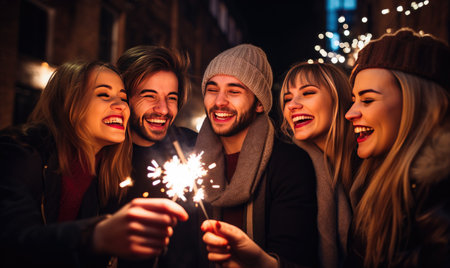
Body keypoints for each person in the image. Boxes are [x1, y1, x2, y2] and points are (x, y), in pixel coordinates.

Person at [0, 61, 188, 267]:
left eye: (123, 98)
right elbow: (13, 240)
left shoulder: (105, 175)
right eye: (103, 95)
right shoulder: (19, 153)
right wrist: (97, 236)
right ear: (69, 103)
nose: (120, 105)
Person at [197, 44, 318, 267]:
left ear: (260, 104)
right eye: (212, 89)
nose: (219, 101)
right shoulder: (189, 159)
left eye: (234, 91)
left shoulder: (289, 164)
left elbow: (297, 256)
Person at [344, 28, 450, 267]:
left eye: (368, 100)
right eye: (353, 101)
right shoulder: (369, 178)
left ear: (419, 106)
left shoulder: (438, 191)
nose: (350, 114)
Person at [111, 46, 202, 267]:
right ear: (125, 98)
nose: (162, 109)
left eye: (171, 98)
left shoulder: (194, 145)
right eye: (149, 95)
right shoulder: (104, 155)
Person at [279, 62, 355, 268]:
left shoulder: (370, 167)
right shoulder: (294, 170)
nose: (292, 105)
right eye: (287, 99)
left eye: (308, 93)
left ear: (339, 99)